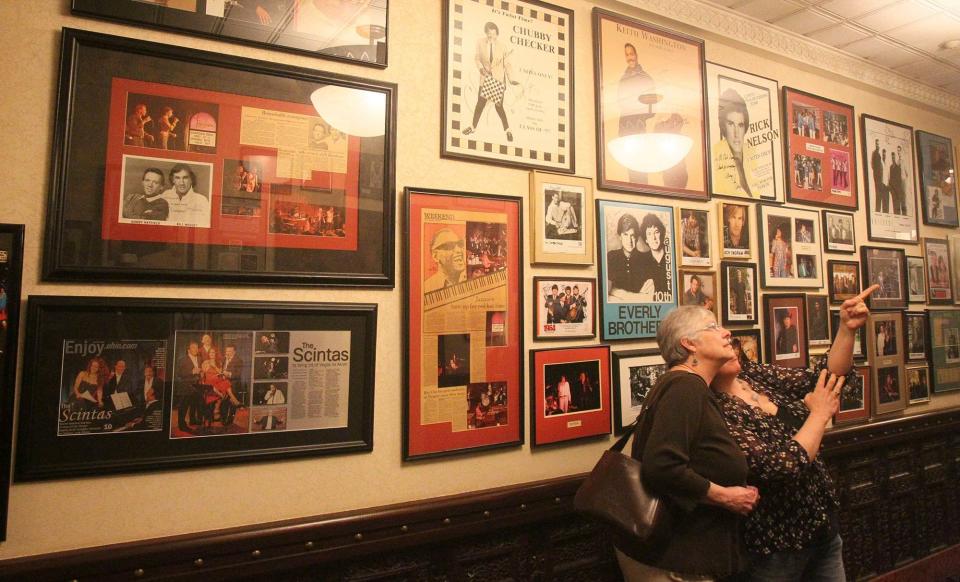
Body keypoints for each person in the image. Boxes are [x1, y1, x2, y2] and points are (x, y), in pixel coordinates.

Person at [709, 285, 875, 581]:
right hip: (775, 548)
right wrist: (819, 413)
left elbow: (825, 378)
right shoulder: (711, 407)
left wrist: (846, 329)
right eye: (713, 330)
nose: (727, 336)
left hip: (822, 528)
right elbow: (784, 464)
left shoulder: (755, 376)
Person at [613, 306, 759, 580]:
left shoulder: (686, 385)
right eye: (713, 327)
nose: (726, 332)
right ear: (689, 343)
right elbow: (662, 466)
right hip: (679, 561)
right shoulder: (685, 387)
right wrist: (726, 496)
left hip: (686, 556)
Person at [462, 22, 519, 142]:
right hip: (485, 79)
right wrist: (481, 68)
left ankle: (507, 130)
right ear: (486, 33)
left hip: (498, 80)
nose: (491, 36)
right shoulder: (480, 43)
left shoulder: (503, 46)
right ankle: (473, 127)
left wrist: (511, 79)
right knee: (480, 104)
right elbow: (477, 58)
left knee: (499, 107)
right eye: (488, 34)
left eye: (493, 34)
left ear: (497, 34)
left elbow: (507, 64)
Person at [617, 42, 656, 184]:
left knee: (641, 163)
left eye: (631, 54)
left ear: (636, 55)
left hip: (639, 127)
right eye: (627, 55)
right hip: (625, 127)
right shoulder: (623, 79)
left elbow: (653, 105)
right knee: (630, 165)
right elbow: (620, 102)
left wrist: (641, 114)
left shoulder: (646, 78)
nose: (629, 57)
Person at [712, 88, 753, 197]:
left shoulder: (753, 154)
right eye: (731, 124)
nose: (736, 133)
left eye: (740, 125)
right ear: (723, 126)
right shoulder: (713, 155)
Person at [607, 213, 643, 299]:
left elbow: (648, 295)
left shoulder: (645, 259)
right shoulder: (611, 257)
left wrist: (616, 291)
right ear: (620, 236)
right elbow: (607, 290)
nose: (629, 240)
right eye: (625, 235)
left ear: (637, 238)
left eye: (632, 236)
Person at [634, 213, 670, 299]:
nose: (653, 238)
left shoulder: (670, 256)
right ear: (646, 239)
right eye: (649, 234)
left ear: (661, 234)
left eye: (656, 232)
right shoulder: (641, 261)